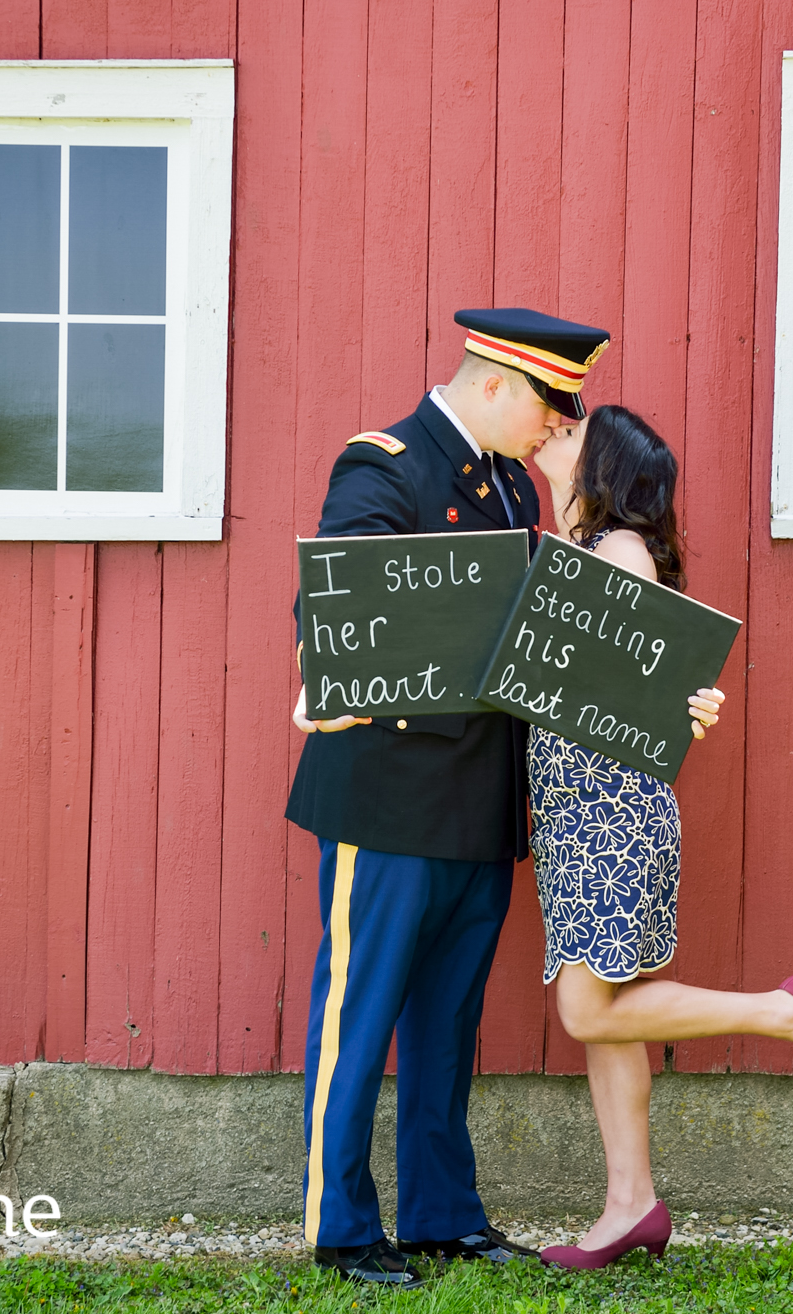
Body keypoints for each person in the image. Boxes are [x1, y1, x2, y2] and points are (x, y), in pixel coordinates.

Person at [286, 308, 629, 1290]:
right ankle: (342, 1226)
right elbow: (335, 605)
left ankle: (441, 1216)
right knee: (357, 1019)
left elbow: (537, 634)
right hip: (388, 803)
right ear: (494, 385)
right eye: (548, 406)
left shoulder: (506, 480)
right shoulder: (385, 464)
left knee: (444, 1029)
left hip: (478, 803)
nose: (556, 427)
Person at [523, 403, 793, 1271]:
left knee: (584, 1008)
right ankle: (629, 1204)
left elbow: (635, 686)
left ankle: (789, 1012)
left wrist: (688, 704)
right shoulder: (580, 552)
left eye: (566, 433)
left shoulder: (616, 553)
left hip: (609, 815)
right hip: (580, 815)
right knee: (611, 1019)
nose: (546, 434)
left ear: (598, 464)